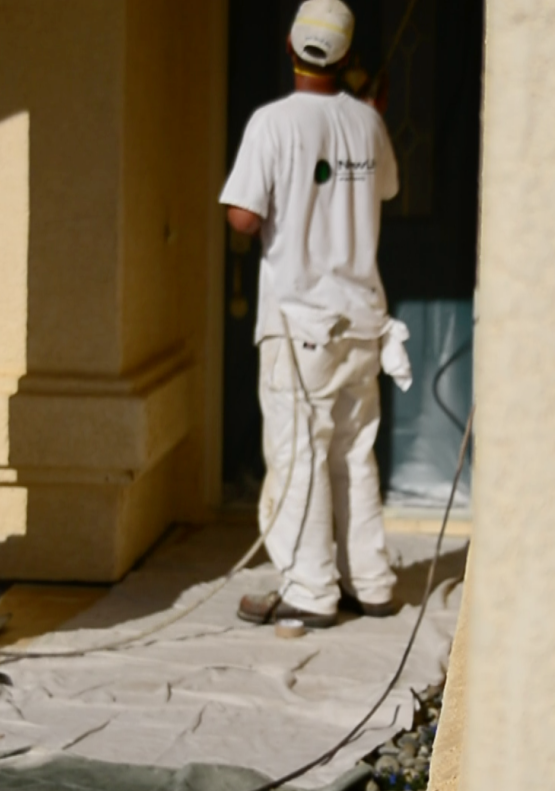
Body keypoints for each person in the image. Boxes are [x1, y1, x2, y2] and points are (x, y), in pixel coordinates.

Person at [220, 0, 412, 628]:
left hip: (300, 325)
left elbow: (243, 217)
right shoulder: (368, 122)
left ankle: (310, 590)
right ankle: (371, 583)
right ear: (348, 56)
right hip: (362, 321)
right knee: (354, 454)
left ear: (289, 46)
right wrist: (366, 119)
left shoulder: (272, 123)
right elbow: (384, 188)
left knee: (300, 456)